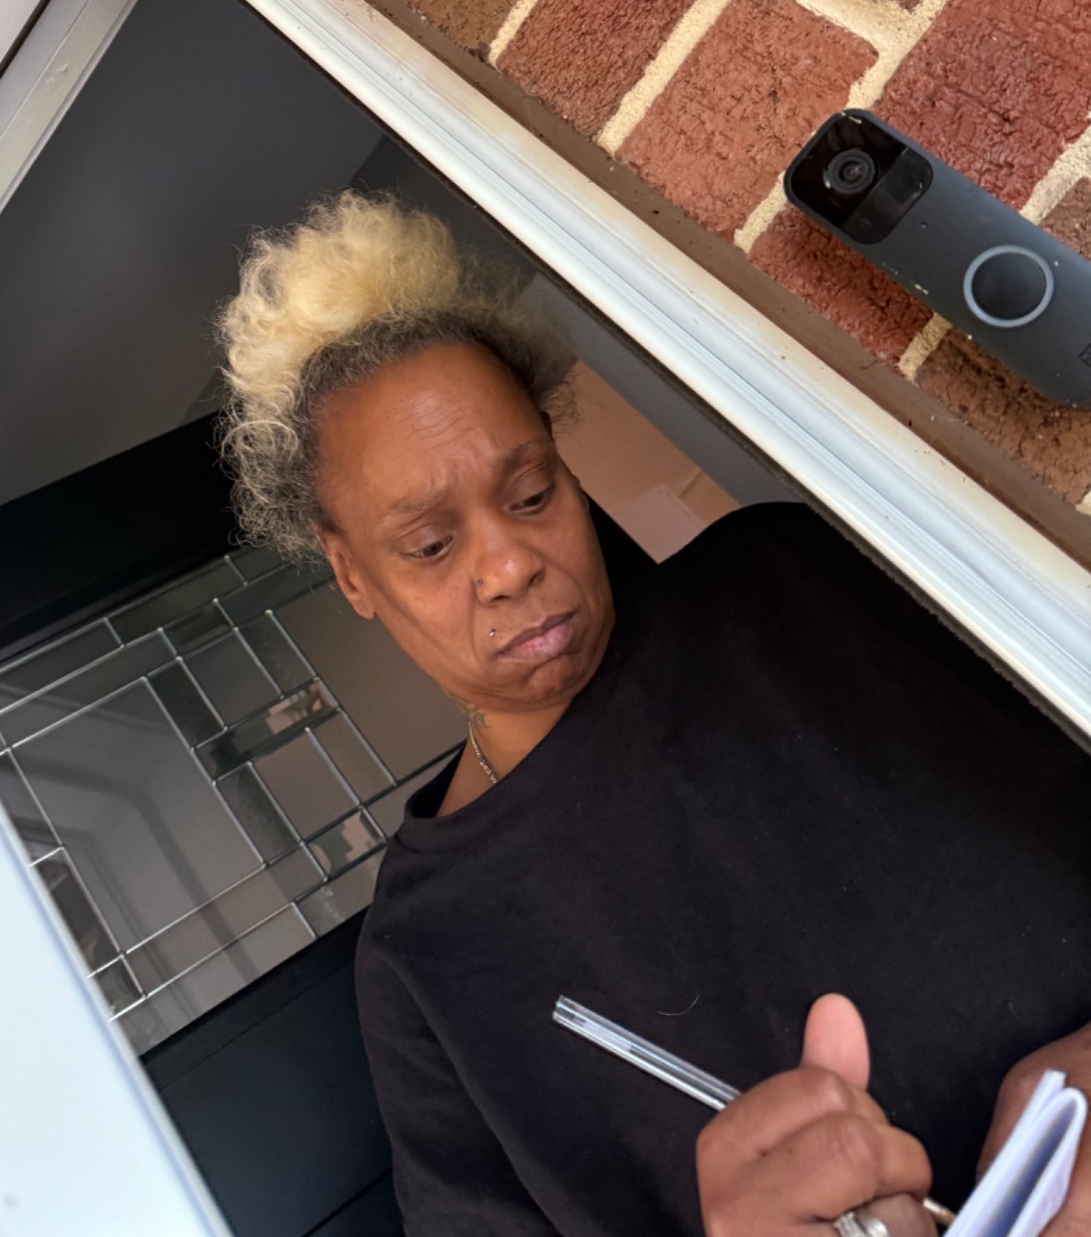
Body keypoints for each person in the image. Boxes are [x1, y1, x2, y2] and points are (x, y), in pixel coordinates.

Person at [215, 193, 1091, 1237]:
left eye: (530, 493)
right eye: (430, 544)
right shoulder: (423, 960)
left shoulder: (783, 574)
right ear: (353, 573)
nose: (508, 564)